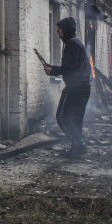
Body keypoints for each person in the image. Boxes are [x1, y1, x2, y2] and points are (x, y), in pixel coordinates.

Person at [42, 17, 93, 159]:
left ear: (66, 30)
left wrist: (52, 72)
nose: (57, 32)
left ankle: (78, 144)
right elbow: (71, 66)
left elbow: (71, 67)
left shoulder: (71, 44)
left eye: (59, 29)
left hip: (75, 88)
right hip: (83, 87)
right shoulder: (75, 43)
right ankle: (76, 149)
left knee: (62, 117)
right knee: (76, 119)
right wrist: (54, 67)